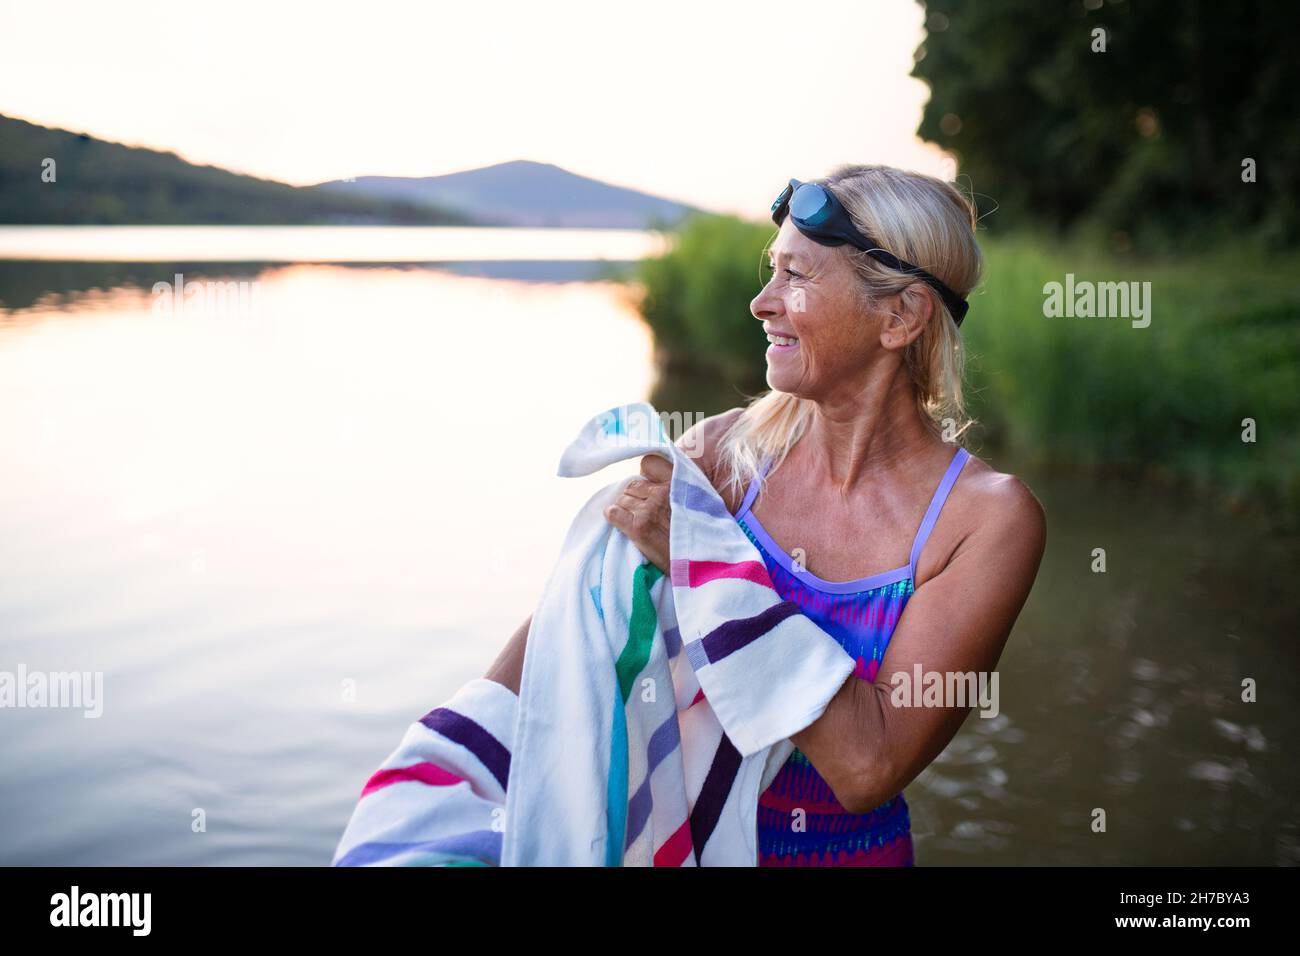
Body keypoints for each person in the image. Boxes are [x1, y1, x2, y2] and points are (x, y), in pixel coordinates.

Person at [486, 164, 1046, 866]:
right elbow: (562, 634)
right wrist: (439, 763)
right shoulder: (722, 457)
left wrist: (704, 564)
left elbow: (868, 765)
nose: (761, 302)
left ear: (900, 316)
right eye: (771, 270)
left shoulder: (984, 522)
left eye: (797, 277)